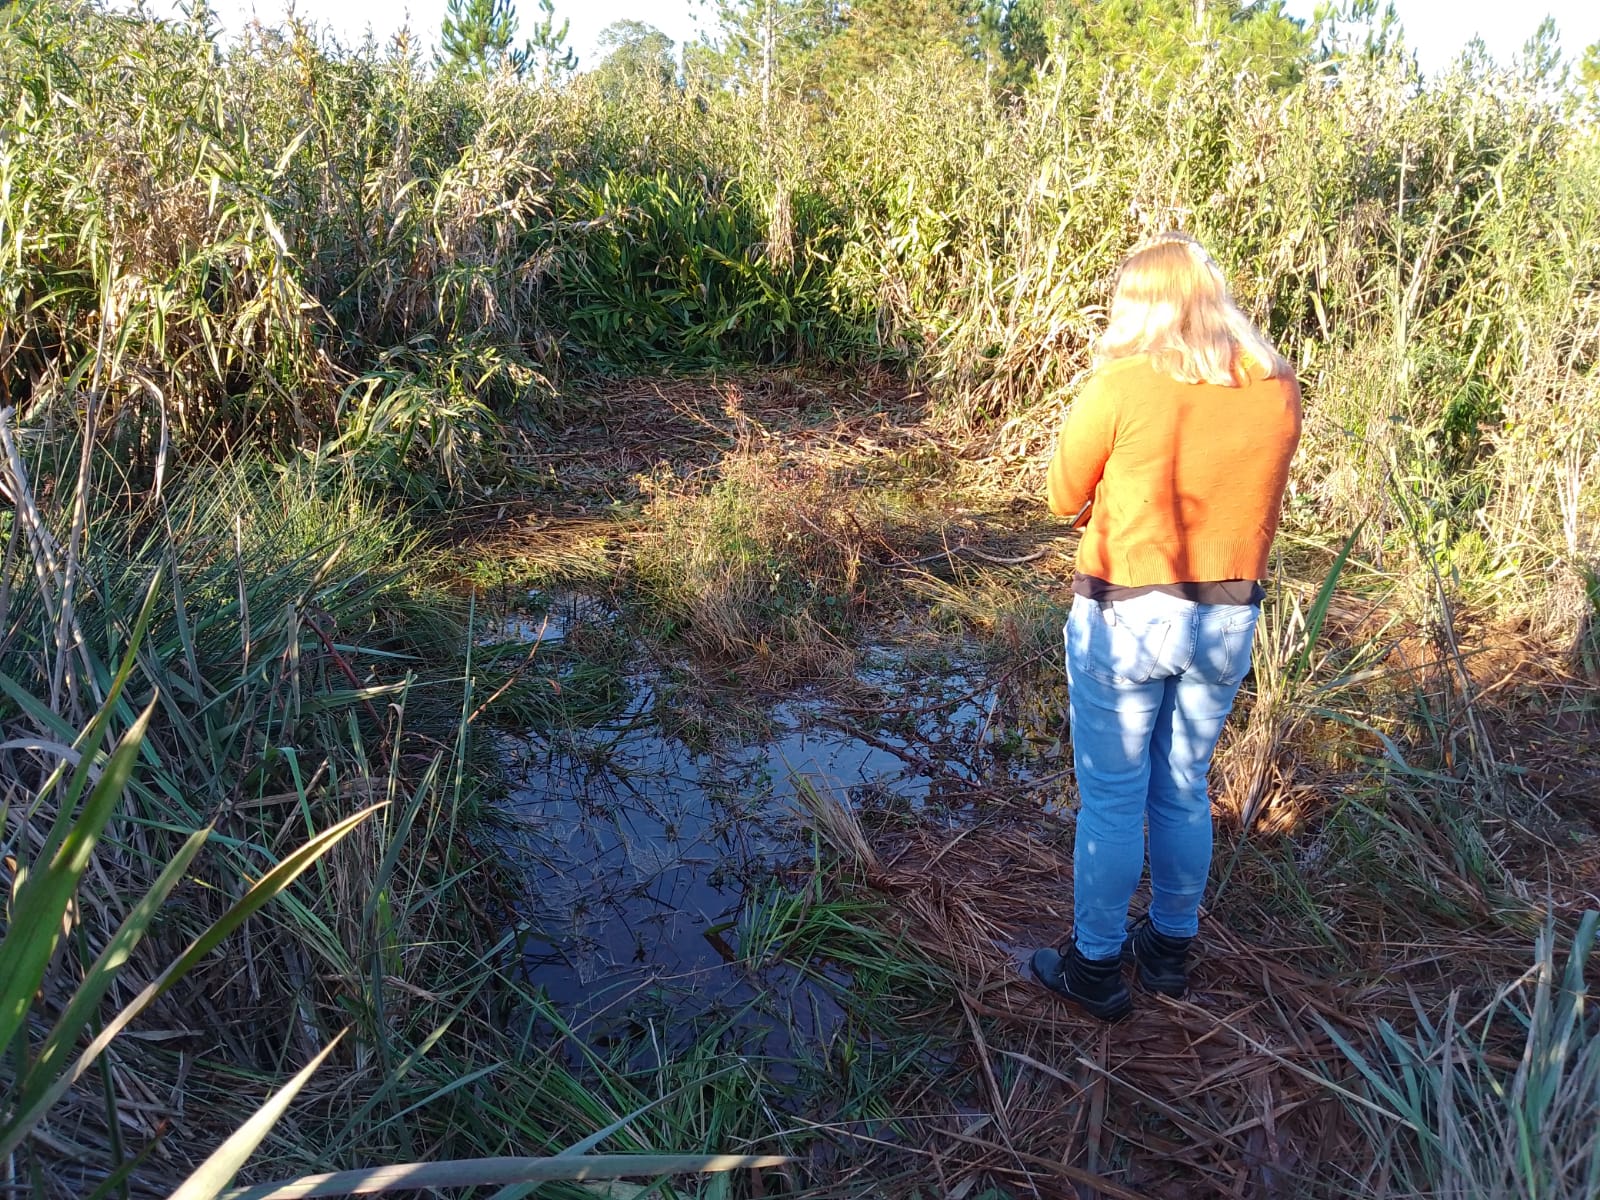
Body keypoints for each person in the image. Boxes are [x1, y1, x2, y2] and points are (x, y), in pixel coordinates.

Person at [1029, 232, 1302, 1021]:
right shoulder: (1277, 386)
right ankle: (1170, 950)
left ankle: (1095, 967)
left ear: (1140, 305)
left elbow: (1060, 495)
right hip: (1227, 615)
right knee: (1182, 789)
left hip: (1125, 615)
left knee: (1114, 803)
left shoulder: (1122, 384)